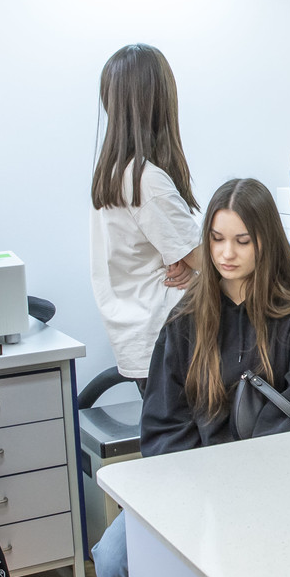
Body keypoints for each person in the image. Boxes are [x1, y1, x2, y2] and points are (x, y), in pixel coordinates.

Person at [92, 178, 290, 577]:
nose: (227, 254)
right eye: (217, 239)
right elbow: (163, 423)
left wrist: (234, 490)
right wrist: (195, 489)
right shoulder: (186, 320)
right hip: (194, 484)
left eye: (242, 241)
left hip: (272, 490)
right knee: (113, 561)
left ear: (266, 242)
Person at [89, 43, 204, 392]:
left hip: (140, 331)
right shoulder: (146, 179)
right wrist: (195, 263)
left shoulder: (114, 173)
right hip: (165, 334)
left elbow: (183, 253)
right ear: (159, 99)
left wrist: (188, 262)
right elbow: (207, 260)